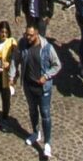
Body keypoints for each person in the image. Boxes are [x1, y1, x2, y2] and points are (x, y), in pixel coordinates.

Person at [17, 21, 61, 155]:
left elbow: (57, 65)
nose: (28, 38)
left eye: (30, 35)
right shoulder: (23, 44)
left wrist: (46, 76)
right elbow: (16, 58)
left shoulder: (47, 48)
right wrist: (13, 75)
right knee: (32, 111)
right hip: (28, 85)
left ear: (36, 34)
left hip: (43, 88)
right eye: (26, 35)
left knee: (45, 114)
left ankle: (47, 143)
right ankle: (36, 133)